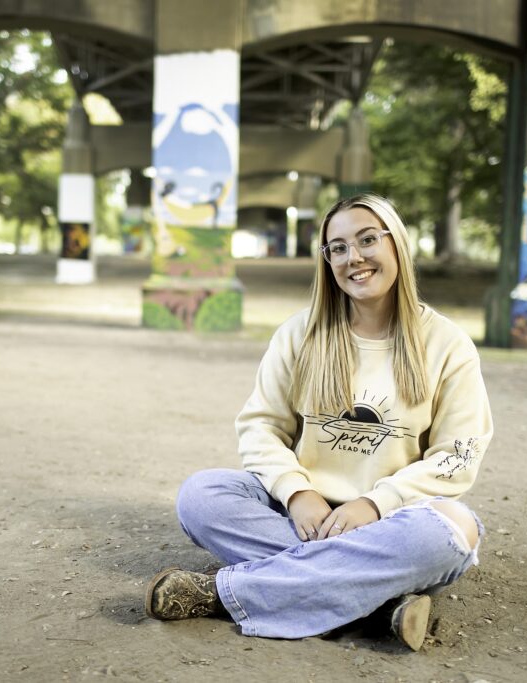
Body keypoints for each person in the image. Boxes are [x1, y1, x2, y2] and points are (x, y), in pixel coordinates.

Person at [144, 193, 493, 650]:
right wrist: (297, 492)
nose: (355, 258)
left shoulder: (448, 344)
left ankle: (225, 593)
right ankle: (380, 604)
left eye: (368, 239)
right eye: (339, 248)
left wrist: (374, 505)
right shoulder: (300, 334)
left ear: (397, 245)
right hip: (303, 516)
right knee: (201, 496)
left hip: (392, 521)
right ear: (327, 260)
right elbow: (260, 427)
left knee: (451, 530)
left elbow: (458, 454)